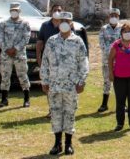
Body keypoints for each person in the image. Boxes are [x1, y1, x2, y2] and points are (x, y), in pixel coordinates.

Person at [41, 11, 88, 156]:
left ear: (71, 23)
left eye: (67, 21)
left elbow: (84, 63)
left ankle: (68, 144)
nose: (64, 23)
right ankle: (57, 144)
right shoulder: (51, 41)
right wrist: (44, 80)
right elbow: (45, 62)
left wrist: (82, 81)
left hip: (71, 85)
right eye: (61, 20)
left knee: (69, 113)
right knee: (55, 113)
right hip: (54, 85)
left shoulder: (78, 41)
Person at [0, 2, 31, 108]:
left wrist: (15, 48)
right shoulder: (4, 23)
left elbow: (26, 38)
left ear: (19, 11)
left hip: (19, 54)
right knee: (5, 76)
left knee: (23, 75)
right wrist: (6, 49)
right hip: (6, 55)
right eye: (12, 10)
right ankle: (4, 99)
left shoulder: (25, 23)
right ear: (10, 11)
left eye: (16, 10)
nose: (14, 12)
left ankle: (26, 99)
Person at [37, 4, 63, 118]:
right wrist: (39, 58)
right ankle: (52, 109)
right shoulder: (45, 25)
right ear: (51, 11)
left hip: (63, 62)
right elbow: (39, 43)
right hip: (48, 61)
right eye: (55, 10)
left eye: (59, 10)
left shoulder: (66, 25)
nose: (57, 12)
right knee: (49, 86)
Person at [98, 7, 123, 112]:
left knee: (121, 82)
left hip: (120, 61)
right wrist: (111, 51)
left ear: (118, 17)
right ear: (109, 17)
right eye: (112, 15)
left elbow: (125, 43)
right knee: (107, 81)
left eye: (115, 16)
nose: (113, 17)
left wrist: (117, 52)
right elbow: (101, 43)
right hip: (106, 60)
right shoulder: (103, 29)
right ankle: (104, 104)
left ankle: (122, 104)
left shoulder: (122, 28)